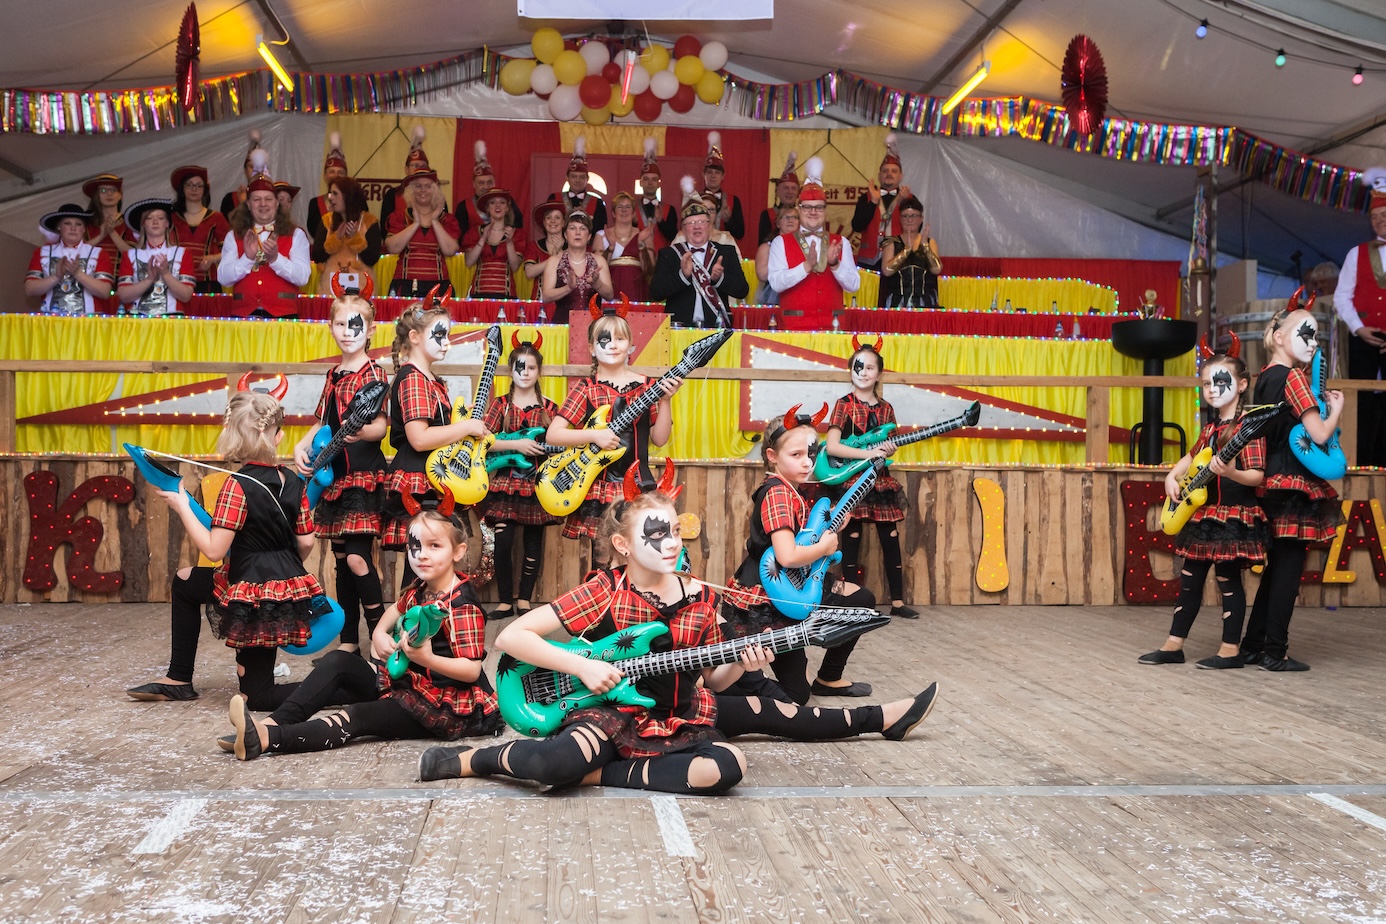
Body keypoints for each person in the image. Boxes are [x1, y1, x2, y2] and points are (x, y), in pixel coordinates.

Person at [417, 485, 747, 794]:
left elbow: (714, 681)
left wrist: (742, 663)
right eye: (659, 534)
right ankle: (474, 759)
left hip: (675, 717)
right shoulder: (604, 590)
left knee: (728, 765)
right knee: (553, 762)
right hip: (612, 711)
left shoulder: (701, 598)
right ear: (623, 545)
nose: (673, 543)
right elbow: (510, 637)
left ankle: (594, 775)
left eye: (675, 531)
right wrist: (583, 667)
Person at [224, 502, 502, 761]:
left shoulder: (461, 605)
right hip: (410, 681)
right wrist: (379, 633)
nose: (422, 554)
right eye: (415, 546)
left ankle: (267, 740)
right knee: (338, 661)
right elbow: (395, 611)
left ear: (458, 551)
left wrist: (426, 659)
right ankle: (267, 725)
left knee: (357, 716)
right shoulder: (422, 587)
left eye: (435, 546)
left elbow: (471, 670)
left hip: (447, 705)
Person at [153, 386, 322, 711]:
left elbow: (214, 550)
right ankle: (178, 679)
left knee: (257, 698)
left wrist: (182, 505)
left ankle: (340, 687)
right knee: (186, 581)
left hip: (255, 594)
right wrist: (281, 570)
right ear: (277, 437)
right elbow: (305, 542)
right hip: (274, 585)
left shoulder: (236, 485)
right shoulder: (294, 482)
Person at [720, 404, 877, 704]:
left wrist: (830, 526)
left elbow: (800, 537)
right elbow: (788, 555)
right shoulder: (778, 492)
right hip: (771, 594)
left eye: (811, 454)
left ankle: (829, 678)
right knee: (796, 695)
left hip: (794, 580)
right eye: (796, 455)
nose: (807, 463)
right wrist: (825, 548)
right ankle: (727, 689)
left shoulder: (790, 488)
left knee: (861, 599)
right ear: (772, 456)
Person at [1140, 336, 1269, 670]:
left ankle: (1230, 650)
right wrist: (1171, 476)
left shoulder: (1250, 428)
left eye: (1220, 382)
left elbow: (1257, 476)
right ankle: (1173, 646)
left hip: (1234, 516)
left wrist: (1232, 472)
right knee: (1190, 580)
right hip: (1204, 514)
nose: (1212, 389)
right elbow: (1191, 457)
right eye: (1207, 383)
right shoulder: (1210, 429)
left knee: (1228, 581)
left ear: (1242, 385)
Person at [1241, 290, 1346, 672]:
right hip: (1294, 484)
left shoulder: (1264, 378)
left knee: (1276, 569)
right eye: (1306, 333)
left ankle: (1254, 646)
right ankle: (1275, 651)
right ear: (1279, 336)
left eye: (1316, 336)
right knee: (1287, 570)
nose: (1313, 343)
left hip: (1269, 482)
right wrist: (1336, 410)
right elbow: (1318, 434)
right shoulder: (1294, 379)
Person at [292, 291, 389, 652]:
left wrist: (360, 432)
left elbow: (381, 427)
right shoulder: (333, 374)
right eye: (341, 324)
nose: (348, 331)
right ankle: (348, 643)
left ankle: (380, 638)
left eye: (356, 325)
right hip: (332, 477)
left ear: (371, 330)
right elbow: (322, 421)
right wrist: (301, 445)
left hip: (362, 475)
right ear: (330, 327)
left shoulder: (374, 374)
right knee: (341, 561)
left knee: (358, 558)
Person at [546, 305, 679, 562]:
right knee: (603, 558)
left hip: (640, 484)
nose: (613, 345)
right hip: (599, 485)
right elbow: (554, 434)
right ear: (591, 348)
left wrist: (665, 401)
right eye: (604, 339)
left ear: (631, 345)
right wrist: (594, 436)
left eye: (620, 338)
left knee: (641, 554)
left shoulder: (647, 386)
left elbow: (659, 439)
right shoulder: (586, 388)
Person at [382, 299, 488, 589]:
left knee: (429, 566)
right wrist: (465, 427)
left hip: (436, 475)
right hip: (420, 479)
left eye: (447, 335)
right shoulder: (413, 379)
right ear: (414, 337)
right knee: (422, 564)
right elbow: (419, 439)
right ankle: (409, 616)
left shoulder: (431, 379)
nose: (446, 342)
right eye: (439, 335)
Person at [824, 337, 917, 619]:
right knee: (851, 538)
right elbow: (832, 446)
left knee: (890, 539)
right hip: (852, 478)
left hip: (880, 480)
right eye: (858, 366)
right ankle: (855, 602)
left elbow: (889, 445)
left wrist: (889, 449)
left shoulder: (886, 409)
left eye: (869, 367)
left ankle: (898, 602)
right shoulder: (843, 405)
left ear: (879, 373)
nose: (863, 372)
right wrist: (867, 454)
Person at [481, 331, 561, 618]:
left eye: (531, 367)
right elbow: (484, 440)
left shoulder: (550, 408)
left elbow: (562, 443)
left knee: (533, 544)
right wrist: (516, 444)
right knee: (503, 544)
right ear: (510, 370)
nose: (525, 372)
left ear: (539, 371)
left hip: (538, 484)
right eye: (519, 366)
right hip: (504, 483)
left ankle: (524, 599)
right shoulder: (500, 404)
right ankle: (505, 601)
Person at [1331, 176, 1386, 467]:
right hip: (1362, 338)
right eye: (1374, 217)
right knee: (1360, 404)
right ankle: (1360, 463)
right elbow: (1341, 297)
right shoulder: (1357, 253)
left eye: (1384, 215)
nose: (1379, 221)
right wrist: (1359, 328)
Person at [767, 159, 859, 331]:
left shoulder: (841, 242)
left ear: (825, 210)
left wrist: (835, 264)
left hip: (833, 328)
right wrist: (806, 266)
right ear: (799, 209)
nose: (813, 212)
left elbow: (854, 285)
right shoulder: (781, 242)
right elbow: (776, 283)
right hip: (794, 329)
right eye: (808, 207)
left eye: (819, 208)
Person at [217, 151, 312, 318]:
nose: (263, 204)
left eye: (268, 199)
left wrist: (276, 259)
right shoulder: (234, 235)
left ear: (277, 203)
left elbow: (302, 277)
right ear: (248, 204)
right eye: (256, 199)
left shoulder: (296, 235)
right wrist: (247, 258)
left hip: (283, 317)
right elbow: (223, 278)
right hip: (243, 317)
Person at [649, 178, 747, 328]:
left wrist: (720, 279)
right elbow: (656, 293)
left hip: (717, 329)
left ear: (709, 225)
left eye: (701, 222)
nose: (697, 227)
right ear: (683, 228)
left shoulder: (726, 252)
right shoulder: (670, 253)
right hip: (679, 329)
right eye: (691, 223)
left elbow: (742, 290)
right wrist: (682, 276)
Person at [384, 127, 461, 298]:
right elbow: (392, 247)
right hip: (404, 284)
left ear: (435, 190)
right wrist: (416, 224)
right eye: (418, 186)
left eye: (428, 186)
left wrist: (434, 221)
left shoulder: (446, 219)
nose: (423, 190)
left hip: (439, 286)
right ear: (410, 190)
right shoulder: (400, 217)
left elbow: (450, 250)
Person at [25, 204, 113, 316]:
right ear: (59, 226)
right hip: (50, 321)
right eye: (67, 223)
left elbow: (105, 292)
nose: (73, 228)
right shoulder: (43, 252)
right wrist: (56, 277)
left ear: (84, 229)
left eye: (78, 224)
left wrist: (78, 274)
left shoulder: (99, 253)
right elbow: (29, 290)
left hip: (89, 322)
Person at [115, 198, 196, 316]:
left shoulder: (182, 253)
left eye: (160, 218)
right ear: (143, 224)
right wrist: (149, 279)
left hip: (172, 318)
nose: (155, 221)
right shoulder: (131, 255)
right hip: (137, 319)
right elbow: (123, 295)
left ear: (167, 223)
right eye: (149, 218)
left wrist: (166, 274)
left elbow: (186, 296)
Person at [851, 133, 911, 274]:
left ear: (900, 176)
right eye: (885, 171)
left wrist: (904, 204)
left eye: (894, 171)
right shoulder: (866, 197)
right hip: (868, 261)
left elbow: (916, 229)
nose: (889, 174)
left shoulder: (909, 199)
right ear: (879, 175)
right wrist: (873, 202)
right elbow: (857, 226)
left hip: (898, 260)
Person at [540, 211, 612, 325]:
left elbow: (609, 295)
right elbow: (546, 296)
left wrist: (597, 284)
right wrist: (568, 288)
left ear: (589, 236)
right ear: (565, 235)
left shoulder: (599, 261)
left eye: (582, 228)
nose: (578, 233)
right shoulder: (554, 261)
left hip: (593, 327)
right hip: (563, 327)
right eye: (572, 228)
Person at [312, 177, 382, 296]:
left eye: (335, 193)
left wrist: (354, 238)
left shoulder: (369, 221)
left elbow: (372, 259)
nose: (330, 198)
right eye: (330, 193)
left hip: (362, 291)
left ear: (348, 196)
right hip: (330, 290)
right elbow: (317, 256)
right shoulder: (327, 221)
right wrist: (336, 238)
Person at [168, 165, 231, 294]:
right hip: (177, 281)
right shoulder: (171, 218)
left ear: (205, 189)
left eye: (199, 185)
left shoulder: (217, 218)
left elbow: (232, 250)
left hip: (208, 283)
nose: (194, 189)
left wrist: (213, 258)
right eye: (189, 185)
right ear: (182, 189)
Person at [880, 196, 942, 309]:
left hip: (925, 303)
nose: (909, 220)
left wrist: (925, 246)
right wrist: (906, 250)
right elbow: (886, 271)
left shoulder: (930, 242)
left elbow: (937, 269)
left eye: (914, 216)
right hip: (897, 303)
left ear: (921, 218)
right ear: (900, 219)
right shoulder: (892, 242)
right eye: (906, 216)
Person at [462, 188, 522, 299]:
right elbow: (469, 262)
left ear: (507, 208)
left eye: (502, 202)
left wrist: (509, 242)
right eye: (493, 203)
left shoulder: (516, 234)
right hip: (479, 294)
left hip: (506, 295)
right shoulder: (475, 232)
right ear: (487, 208)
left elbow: (515, 267)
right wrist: (483, 238)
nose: (497, 206)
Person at [456, 139, 522, 237]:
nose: (486, 186)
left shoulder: (506, 200)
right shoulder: (464, 206)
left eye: (489, 182)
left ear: (494, 182)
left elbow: (518, 229)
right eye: (481, 183)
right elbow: (460, 238)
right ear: (473, 184)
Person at [597, 191, 654, 303]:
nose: (624, 210)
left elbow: (650, 271)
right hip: (610, 293)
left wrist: (640, 244)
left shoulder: (645, 235)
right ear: (613, 213)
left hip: (638, 291)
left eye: (628, 207)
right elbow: (597, 271)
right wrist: (610, 249)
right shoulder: (601, 235)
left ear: (633, 213)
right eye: (619, 207)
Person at [700, 132, 744, 247]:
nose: (713, 176)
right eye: (709, 172)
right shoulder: (695, 199)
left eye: (717, 172)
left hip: (725, 250)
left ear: (723, 176)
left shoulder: (733, 200)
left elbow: (740, 233)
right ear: (703, 175)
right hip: (699, 248)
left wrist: (728, 220)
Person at [82, 173, 136, 268]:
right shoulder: (86, 223)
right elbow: (77, 253)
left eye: (113, 190)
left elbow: (134, 256)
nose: (109, 194)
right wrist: (101, 236)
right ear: (96, 195)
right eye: (103, 190)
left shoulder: (129, 222)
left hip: (122, 275)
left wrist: (112, 232)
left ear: (120, 195)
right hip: (90, 275)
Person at [306, 132, 349, 242]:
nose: (336, 176)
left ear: (346, 176)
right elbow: (314, 231)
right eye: (332, 172)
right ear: (325, 176)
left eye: (340, 172)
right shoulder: (315, 203)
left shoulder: (357, 201)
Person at [636, 138, 678, 249]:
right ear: (640, 182)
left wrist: (661, 222)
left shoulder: (669, 209)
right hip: (637, 256)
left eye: (654, 179)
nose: (650, 183)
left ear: (659, 184)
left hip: (662, 257)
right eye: (646, 179)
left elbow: (674, 237)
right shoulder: (631, 208)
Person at [559, 137, 607, 234]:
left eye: (582, 177)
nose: (578, 180)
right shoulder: (555, 198)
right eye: (574, 176)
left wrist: (586, 219)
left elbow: (601, 232)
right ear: (567, 178)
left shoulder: (597, 202)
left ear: (587, 179)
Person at [523, 198, 566, 304]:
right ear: (544, 222)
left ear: (563, 223)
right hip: (539, 302)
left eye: (557, 217)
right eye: (548, 217)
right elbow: (529, 272)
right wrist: (555, 257)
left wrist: (560, 251)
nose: (553, 221)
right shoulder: (534, 246)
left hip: (564, 303)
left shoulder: (571, 246)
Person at [754, 209, 798, 306]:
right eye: (786, 217)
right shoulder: (767, 246)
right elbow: (762, 275)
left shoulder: (805, 246)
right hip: (773, 294)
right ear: (778, 223)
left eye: (794, 217)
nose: (790, 220)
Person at [757, 152, 800, 245]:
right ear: (778, 191)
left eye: (793, 188)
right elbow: (762, 243)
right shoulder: (768, 214)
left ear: (798, 193)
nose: (790, 191)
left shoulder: (803, 214)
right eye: (786, 188)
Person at [220, 131, 263, 218]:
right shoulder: (231, 198)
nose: (256, 171)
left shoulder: (274, 197)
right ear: (245, 171)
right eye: (251, 166)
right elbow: (228, 222)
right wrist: (242, 204)